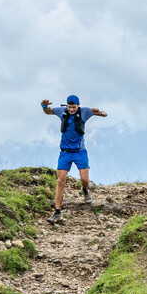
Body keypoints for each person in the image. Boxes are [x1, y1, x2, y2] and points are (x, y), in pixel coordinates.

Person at [40, 94, 107, 223]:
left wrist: (101, 113)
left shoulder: (85, 112)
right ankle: (57, 211)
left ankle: (85, 190)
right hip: (65, 152)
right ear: (67, 106)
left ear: (78, 105)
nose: (71, 110)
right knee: (60, 181)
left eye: (74, 107)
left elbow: (104, 114)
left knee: (85, 180)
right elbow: (48, 112)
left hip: (80, 153)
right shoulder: (62, 112)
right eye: (70, 107)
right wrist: (43, 105)